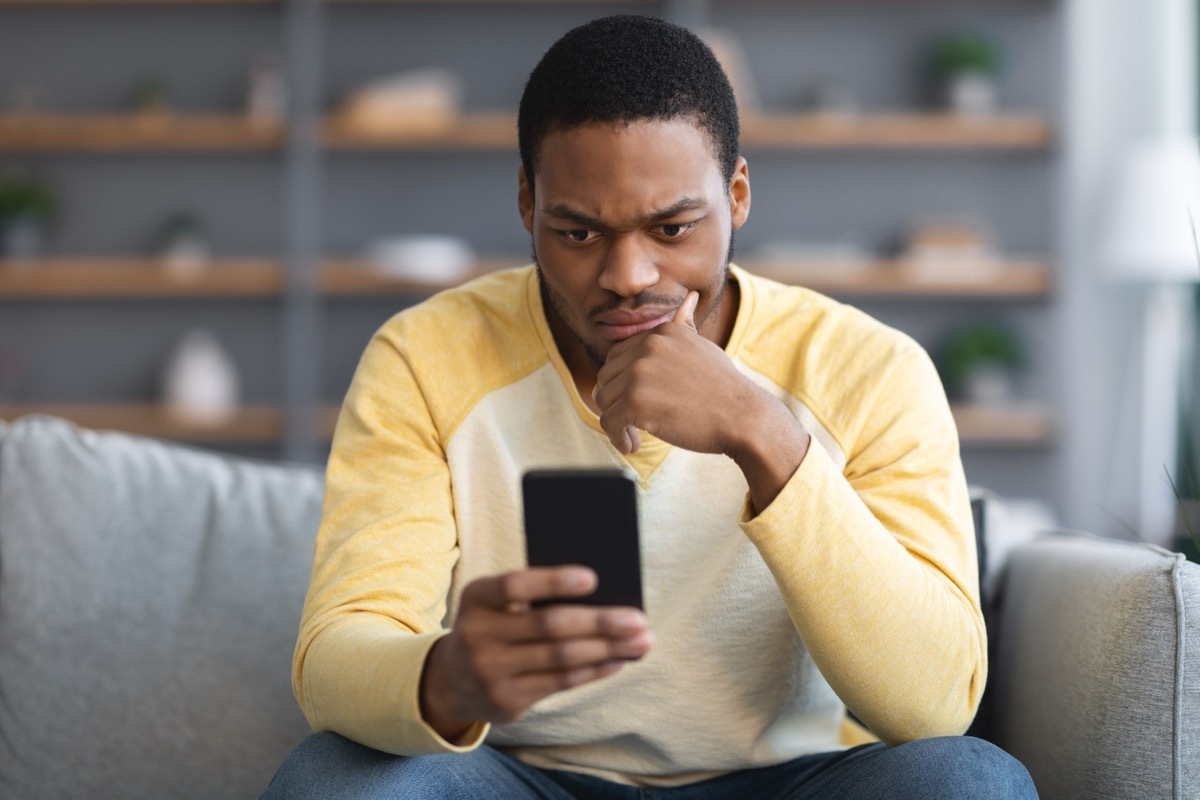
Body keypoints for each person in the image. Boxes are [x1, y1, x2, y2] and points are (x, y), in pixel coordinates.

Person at [263, 14, 1036, 799]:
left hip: (787, 782)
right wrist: (446, 679)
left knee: (968, 782)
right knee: (332, 782)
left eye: (672, 228)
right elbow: (335, 661)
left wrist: (761, 431)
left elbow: (936, 704)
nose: (628, 275)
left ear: (737, 196)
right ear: (528, 203)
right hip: (520, 780)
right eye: (579, 233)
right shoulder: (424, 357)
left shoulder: (869, 370)